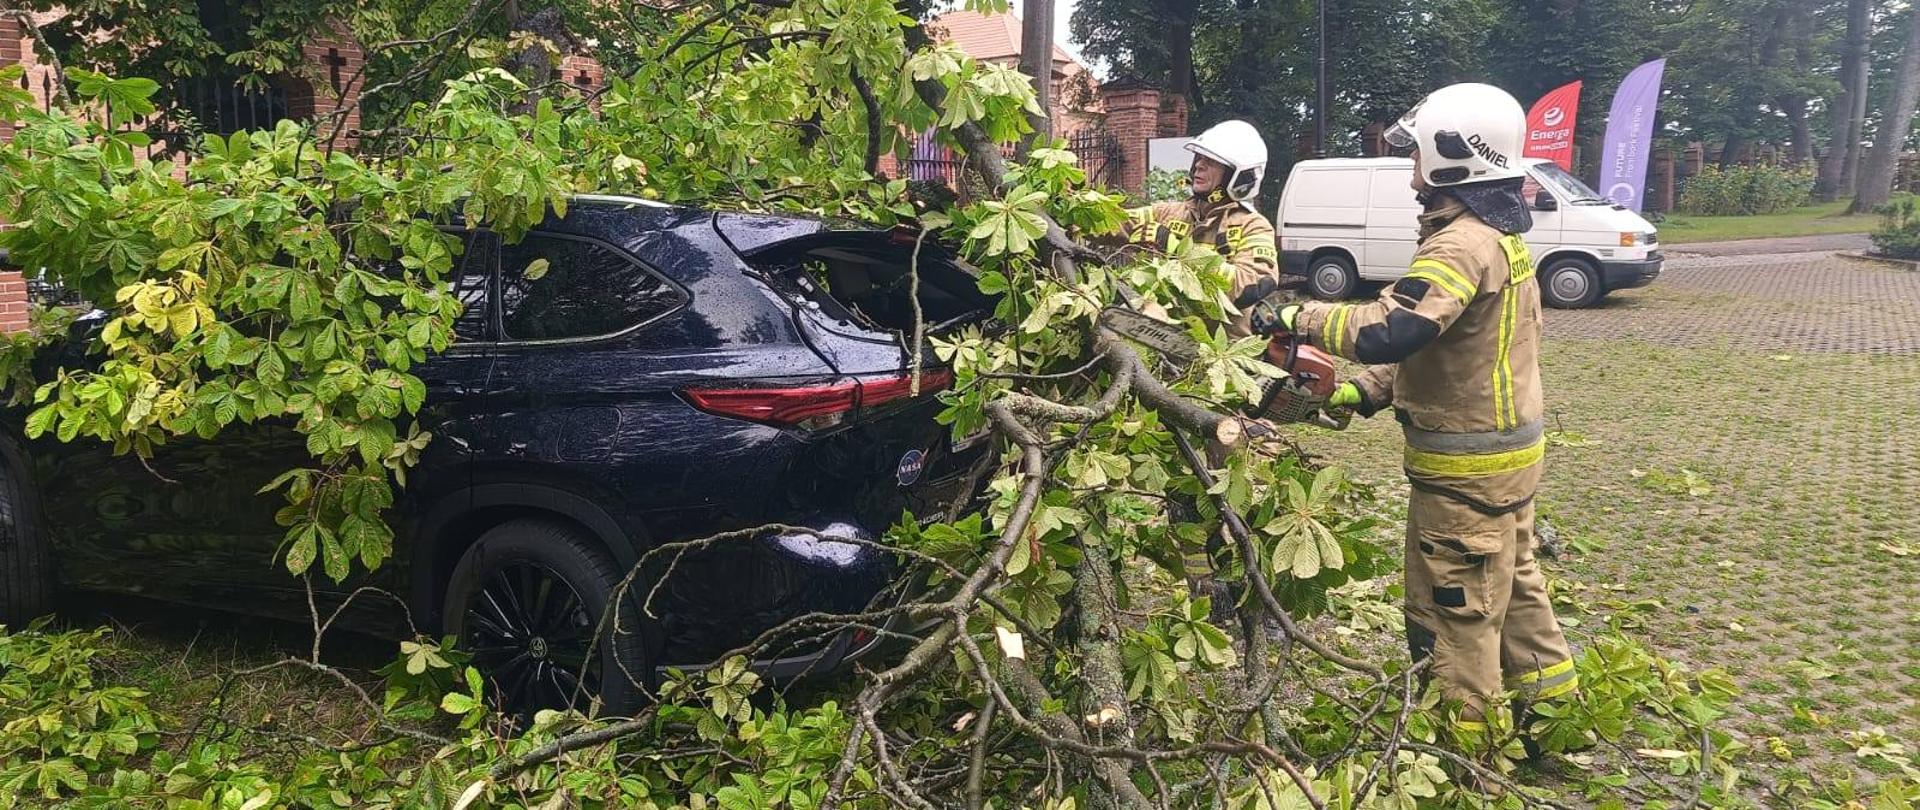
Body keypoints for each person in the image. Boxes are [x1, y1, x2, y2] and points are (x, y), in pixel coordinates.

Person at [1260, 83, 1578, 746]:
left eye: (1416, 156)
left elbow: (1391, 328)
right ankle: (1560, 726)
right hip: (1506, 466)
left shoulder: (1459, 246)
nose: (1408, 170)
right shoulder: (1497, 235)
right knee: (1516, 593)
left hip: (1463, 476)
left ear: (1454, 158)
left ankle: (1466, 760)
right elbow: (1449, 347)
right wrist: (1360, 393)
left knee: (1454, 616)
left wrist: (1296, 315)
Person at [1111, 120, 1282, 614]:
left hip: (1229, 373)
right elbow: (1117, 224)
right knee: (1185, 489)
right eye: (1198, 159)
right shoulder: (1171, 214)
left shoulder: (1251, 227)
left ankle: (1259, 600)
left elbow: (1257, 280)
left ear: (1239, 174)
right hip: (1176, 371)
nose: (1198, 167)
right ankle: (1207, 596)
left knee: (1240, 486)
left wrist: (1191, 264)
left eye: (1210, 162)